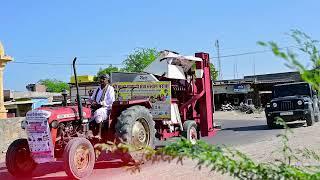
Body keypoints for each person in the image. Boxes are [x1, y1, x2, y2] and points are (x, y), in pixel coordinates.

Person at [89, 74, 115, 138]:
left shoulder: (110, 88)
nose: (101, 80)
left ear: (107, 80)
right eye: (101, 78)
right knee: (86, 113)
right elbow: (92, 99)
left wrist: (101, 103)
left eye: (104, 79)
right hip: (96, 107)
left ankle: (99, 134)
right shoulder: (97, 88)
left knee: (98, 113)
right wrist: (91, 100)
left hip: (106, 108)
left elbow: (111, 100)